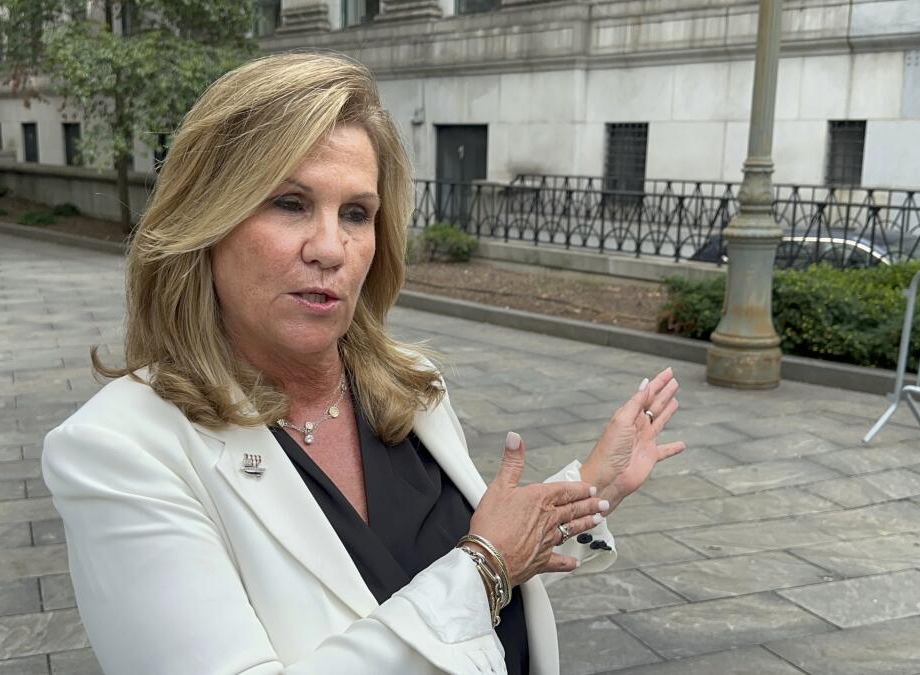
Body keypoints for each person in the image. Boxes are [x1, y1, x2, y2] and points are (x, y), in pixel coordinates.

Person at [41, 52, 685, 675]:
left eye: (356, 213)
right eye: (289, 203)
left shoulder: (408, 386)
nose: (330, 248)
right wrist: (484, 565)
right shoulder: (118, 451)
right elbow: (472, 579)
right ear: (207, 220)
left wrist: (595, 486)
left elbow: (451, 609)